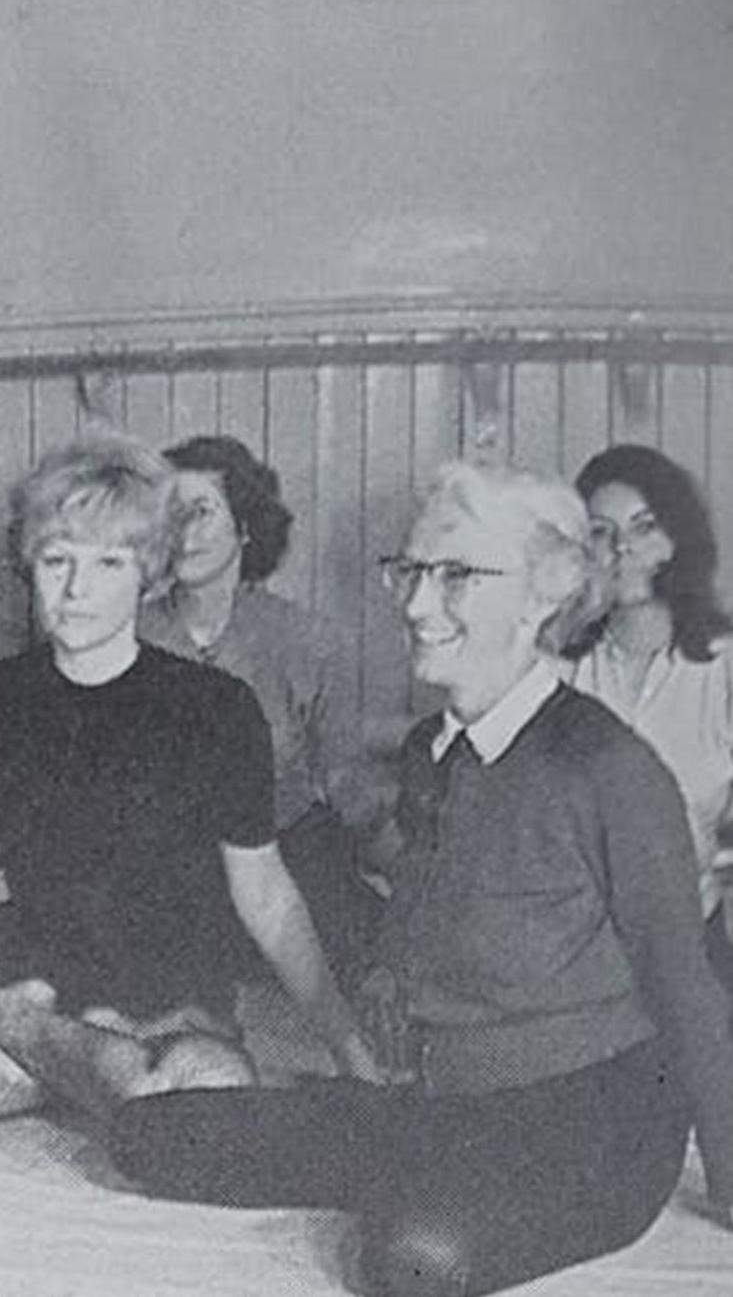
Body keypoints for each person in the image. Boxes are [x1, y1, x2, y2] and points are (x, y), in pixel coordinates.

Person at [109, 461, 733, 1297]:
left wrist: (726, 1175)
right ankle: (405, 1163)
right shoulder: (428, 753)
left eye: (455, 576)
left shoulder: (607, 767)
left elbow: (684, 985)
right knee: (150, 1135)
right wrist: (375, 1004)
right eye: (408, 571)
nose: (411, 604)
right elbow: (419, 915)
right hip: (438, 1101)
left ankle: (415, 1180)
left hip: (591, 1123)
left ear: (542, 595)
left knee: (414, 1257)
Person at [0, 433, 376, 1144]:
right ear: (28, 563)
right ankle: (83, 1072)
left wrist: (346, 1046)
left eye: (108, 563)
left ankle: (31, 1046)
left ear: (149, 574)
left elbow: (266, 894)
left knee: (204, 1097)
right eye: (56, 561)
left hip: (169, 1010)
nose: (76, 590)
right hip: (34, 979)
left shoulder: (216, 706)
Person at [139, 436, 382, 981]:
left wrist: (415, 876)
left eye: (200, 513)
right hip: (163, 869)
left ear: (245, 525)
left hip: (284, 855)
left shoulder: (306, 640)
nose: (183, 533)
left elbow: (349, 786)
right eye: (167, 515)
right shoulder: (125, 633)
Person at [564, 444, 733, 999]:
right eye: (600, 532)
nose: (622, 551)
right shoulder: (557, 667)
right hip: (573, 953)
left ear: (678, 540)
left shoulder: (722, 666)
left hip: (697, 943)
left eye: (644, 527)